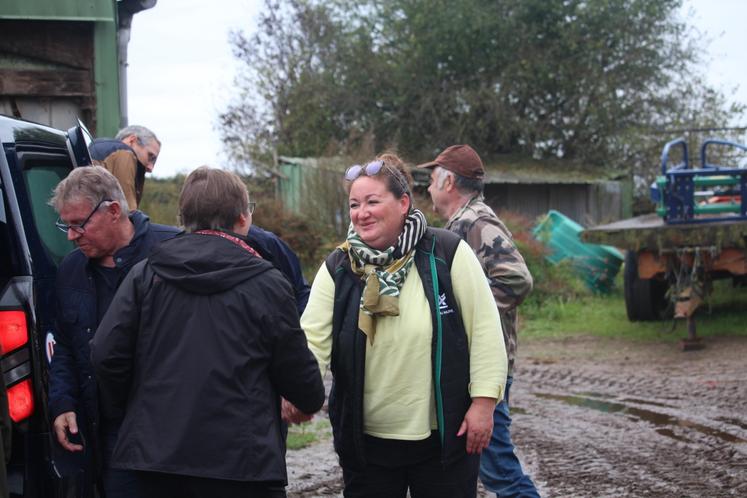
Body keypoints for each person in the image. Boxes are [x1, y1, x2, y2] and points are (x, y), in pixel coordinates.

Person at [90, 166, 325, 498]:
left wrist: (136, 410)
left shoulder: (146, 274)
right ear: (243, 219)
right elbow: (297, 369)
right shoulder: (267, 282)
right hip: (242, 464)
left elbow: (105, 354)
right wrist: (308, 400)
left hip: (156, 458)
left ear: (183, 218)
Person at [295, 153, 507, 497]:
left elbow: (484, 330)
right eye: (354, 204)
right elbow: (312, 341)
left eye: (372, 201)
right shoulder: (339, 266)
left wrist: (483, 405)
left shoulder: (447, 252)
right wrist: (297, 391)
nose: (361, 212)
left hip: (443, 437)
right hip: (366, 444)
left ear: (403, 202)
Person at [47, 166, 180, 497]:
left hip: (175, 442)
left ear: (114, 211)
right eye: (66, 225)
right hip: (108, 438)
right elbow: (64, 344)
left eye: (79, 224)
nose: (70, 235)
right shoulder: (71, 271)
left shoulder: (174, 254)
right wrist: (62, 402)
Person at [418, 144, 539, 498]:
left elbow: (517, 279)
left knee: (499, 470)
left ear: (449, 181)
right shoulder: (460, 224)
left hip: (487, 366)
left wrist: (465, 310)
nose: (427, 187)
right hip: (474, 366)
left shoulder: (475, 222)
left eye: (432, 179)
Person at [89, 125, 161, 210]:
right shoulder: (124, 153)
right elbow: (127, 212)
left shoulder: (98, 149)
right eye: (150, 157)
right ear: (132, 140)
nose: (151, 168)